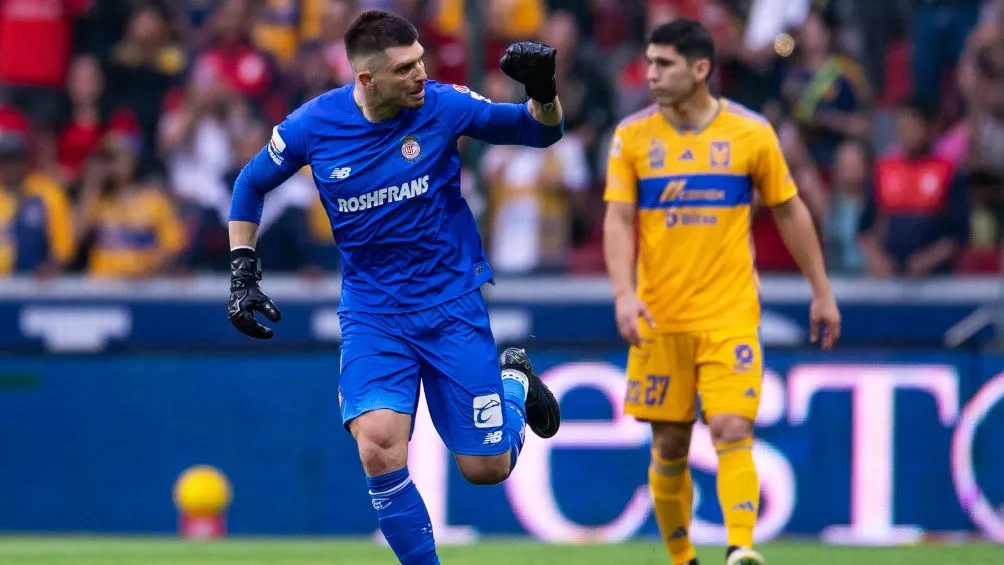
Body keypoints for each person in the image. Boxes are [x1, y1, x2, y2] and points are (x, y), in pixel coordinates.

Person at [225, 10, 563, 565]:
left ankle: (515, 384)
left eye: (421, 61)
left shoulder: (444, 105)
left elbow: (539, 130)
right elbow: (251, 182)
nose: (420, 75)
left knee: (486, 469)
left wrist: (544, 91)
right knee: (378, 446)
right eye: (405, 68)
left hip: (451, 306)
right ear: (366, 80)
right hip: (373, 314)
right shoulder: (315, 125)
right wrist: (242, 270)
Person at [602, 19, 841, 565]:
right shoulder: (632, 137)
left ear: (701, 69)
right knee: (669, 445)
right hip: (659, 316)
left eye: (664, 64)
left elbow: (788, 208)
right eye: (649, 62)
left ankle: (740, 550)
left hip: (730, 311)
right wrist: (622, 293)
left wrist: (821, 291)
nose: (651, 74)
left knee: (733, 427)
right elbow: (617, 219)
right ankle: (684, 559)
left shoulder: (751, 133)